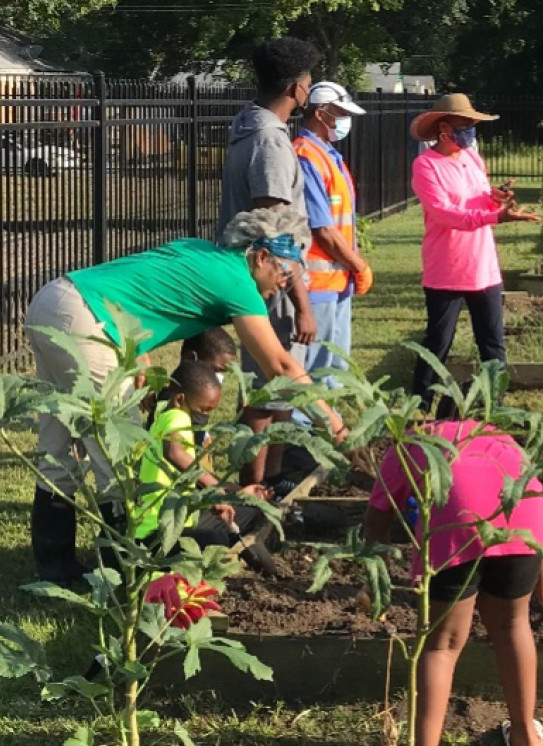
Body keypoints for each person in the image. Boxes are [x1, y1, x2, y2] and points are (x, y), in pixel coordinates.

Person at [24, 206, 348, 584]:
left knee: (59, 443)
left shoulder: (203, 252)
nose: (286, 285)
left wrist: (137, 355)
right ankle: (121, 574)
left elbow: (140, 290)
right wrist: (336, 426)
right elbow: (281, 366)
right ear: (261, 257)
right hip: (86, 319)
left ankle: (56, 567)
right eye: (287, 273)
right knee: (121, 454)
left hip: (57, 299)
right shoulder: (237, 283)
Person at [364, 418, 543, 746]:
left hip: (454, 531)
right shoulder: (501, 440)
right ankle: (527, 740)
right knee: (514, 627)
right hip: (523, 530)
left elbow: (379, 514)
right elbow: (537, 512)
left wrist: (373, 579)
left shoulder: (408, 441)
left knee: (442, 646)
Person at [217, 36, 320, 493]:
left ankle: (272, 483)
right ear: (297, 88)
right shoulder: (268, 143)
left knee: (279, 391)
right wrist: (302, 304)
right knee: (266, 389)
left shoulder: (252, 128)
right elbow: (275, 233)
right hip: (271, 286)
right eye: (309, 82)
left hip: (266, 282)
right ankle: (251, 491)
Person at [408, 94, 540, 409]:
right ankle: (420, 406)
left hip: (484, 267)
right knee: (438, 343)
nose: (470, 130)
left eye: (472, 124)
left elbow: (477, 199)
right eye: (464, 124)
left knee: (493, 344)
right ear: (443, 127)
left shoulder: (472, 159)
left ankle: (495, 403)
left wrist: (495, 198)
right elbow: (445, 214)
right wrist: (496, 216)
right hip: (447, 269)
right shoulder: (426, 166)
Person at [135, 361, 271, 555]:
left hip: (177, 521)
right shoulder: (176, 416)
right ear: (180, 399)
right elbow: (173, 452)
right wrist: (214, 491)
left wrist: (238, 492)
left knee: (251, 509)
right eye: (204, 410)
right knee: (215, 541)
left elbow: (195, 471)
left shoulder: (167, 418)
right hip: (156, 533)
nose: (207, 416)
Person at [293, 82, 373, 389]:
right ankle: (307, 430)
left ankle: (329, 427)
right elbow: (322, 229)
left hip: (337, 280)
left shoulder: (328, 155)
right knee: (314, 369)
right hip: (318, 283)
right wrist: (359, 264)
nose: (344, 121)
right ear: (321, 114)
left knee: (334, 368)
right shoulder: (306, 156)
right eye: (340, 113)